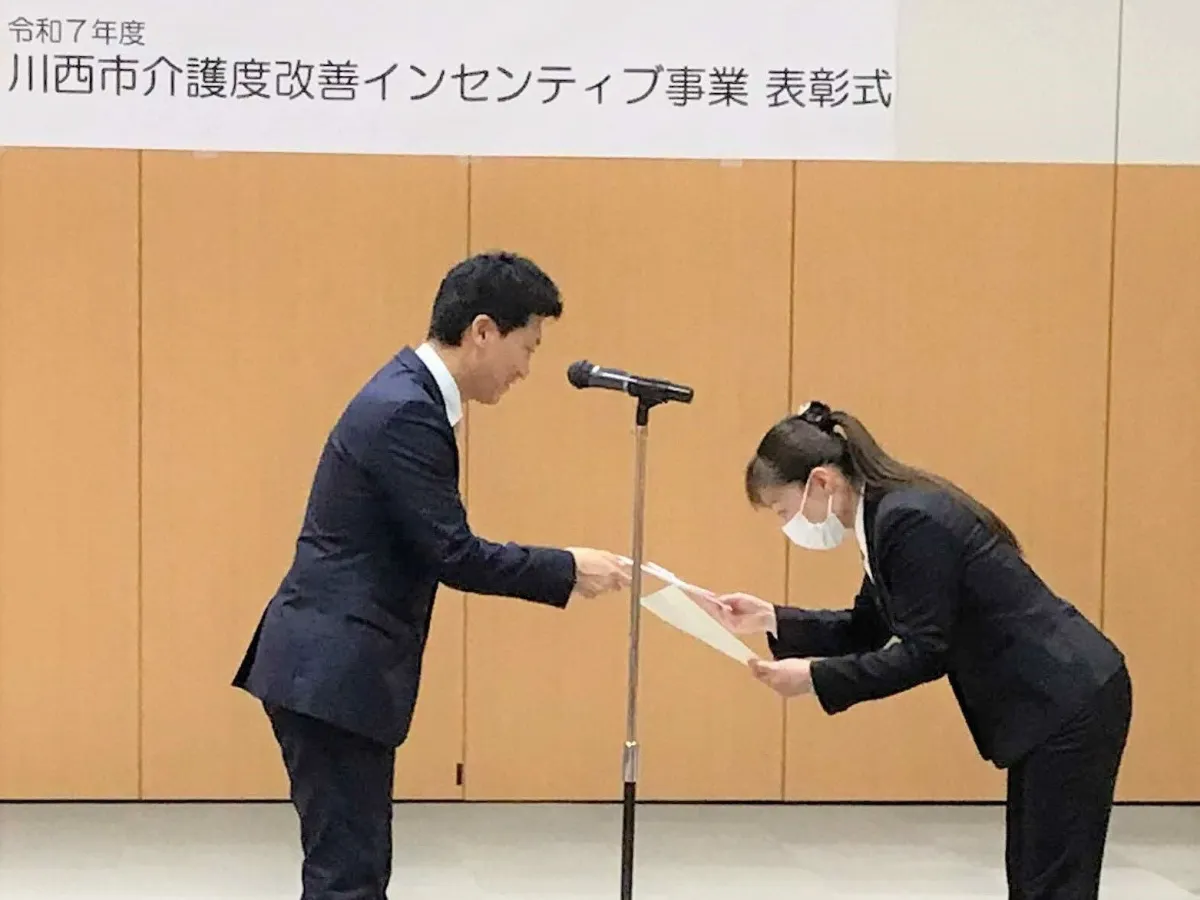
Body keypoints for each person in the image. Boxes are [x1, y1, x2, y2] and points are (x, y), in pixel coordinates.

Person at [232, 251, 631, 900]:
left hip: (330, 670)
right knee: (347, 880)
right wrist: (566, 568)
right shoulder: (405, 412)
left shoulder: (408, 396)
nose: (526, 370)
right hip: (331, 671)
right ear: (483, 332)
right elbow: (454, 553)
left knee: (351, 873)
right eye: (527, 348)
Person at [705, 400, 1132, 900]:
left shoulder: (908, 520)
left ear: (820, 482)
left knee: (1052, 885)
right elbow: (867, 628)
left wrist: (815, 678)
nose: (787, 524)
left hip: (1068, 697)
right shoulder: (882, 516)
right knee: (1034, 880)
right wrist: (772, 618)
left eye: (783, 510)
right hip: (1049, 702)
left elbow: (926, 651)